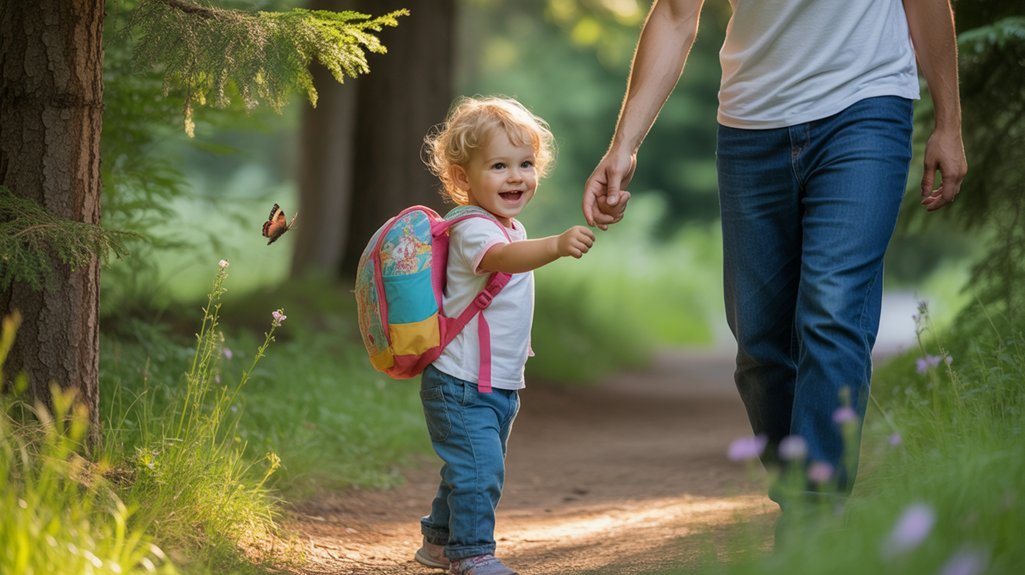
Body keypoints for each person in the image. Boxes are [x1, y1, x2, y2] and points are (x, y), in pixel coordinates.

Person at [583, 0, 967, 517]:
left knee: (832, 307)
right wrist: (623, 144)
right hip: (750, 122)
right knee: (760, 343)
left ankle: (812, 512)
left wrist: (949, 120)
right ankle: (801, 483)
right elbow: (675, 14)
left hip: (865, 106)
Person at [415, 96, 595, 575]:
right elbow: (499, 259)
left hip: (497, 382)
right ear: (461, 177)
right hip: (460, 382)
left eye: (525, 164)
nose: (516, 176)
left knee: (470, 468)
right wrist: (555, 246)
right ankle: (472, 554)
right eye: (498, 165)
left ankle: (438, 541)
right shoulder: (473, 228)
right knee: (480, 472)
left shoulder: (510, 226)